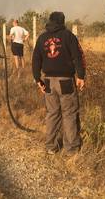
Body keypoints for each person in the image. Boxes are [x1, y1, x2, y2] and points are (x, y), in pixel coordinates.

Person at [32, 11, 86, 155]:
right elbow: (78, 57)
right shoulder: (68, 36)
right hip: (66, 81)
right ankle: (71, 149)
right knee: (69, 114)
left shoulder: (42, 38)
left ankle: (51, 147)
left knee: (52, 114)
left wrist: (38, 79)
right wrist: (81, 76)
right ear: (62, 22)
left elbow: (35, 59)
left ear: (50, 21)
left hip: (48, 81)